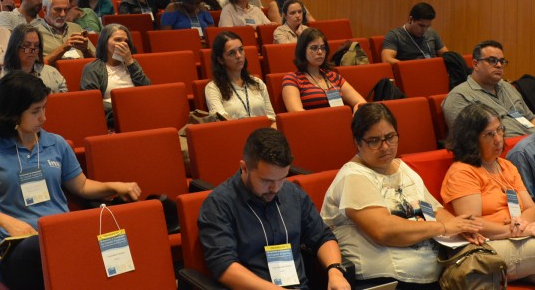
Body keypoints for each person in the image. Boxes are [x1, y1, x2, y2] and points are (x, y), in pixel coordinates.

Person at [0, 71, 142, 290]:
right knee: (46, 248)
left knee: (115, 233)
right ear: (13, 114)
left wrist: (115, 186)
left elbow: (81, 186)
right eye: (35, 111)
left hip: (62, 236)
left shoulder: (56, 144)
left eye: (44, 108)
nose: (43, 117)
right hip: (19, 246)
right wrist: (9, 222)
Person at [321, 103, 483, 288]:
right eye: (374, 141)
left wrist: (462, 227)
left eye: (390, 137)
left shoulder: (402, 168)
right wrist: (444, 228)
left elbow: (433, 210)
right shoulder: (353, 176)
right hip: (387, 281)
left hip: (435, 274)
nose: (385, 147)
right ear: (358, 143)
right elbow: (384, 231)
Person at [198, 127, 350, 290]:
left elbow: (322, 237)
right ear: (244, 168)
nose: (276, 188)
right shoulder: (219, 204)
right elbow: (224, 267)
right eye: (266, 181)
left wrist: (335, 270)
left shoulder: (293, 194)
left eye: (282, 179)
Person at [442, 102, 535, 283]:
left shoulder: (506, 165)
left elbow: (531, 207)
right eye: (489, 134)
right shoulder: (462, 171)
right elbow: (471, 223)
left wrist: (521, 224)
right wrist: (509, 230)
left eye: (500, 130)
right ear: (471, 139)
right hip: (488, 247)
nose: (498, 139)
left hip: (520, 237)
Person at [442, 39, 535, 137]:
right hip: (506, 148)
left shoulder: (508, 87)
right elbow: (468, 141)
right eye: (492, 60)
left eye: (501, 61)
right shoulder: (459, 96)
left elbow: (531, 118)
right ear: (475, 64)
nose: (499, 65)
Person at [282, 28, 366, 113]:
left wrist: (354, 118)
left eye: (323, 48)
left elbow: (361, 102)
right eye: (314, 48)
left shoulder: (333, 76)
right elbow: (297, 113)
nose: (320, 52)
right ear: (303, 51)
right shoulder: (293, 79)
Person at [80, 24, 150, 123]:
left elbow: (147, 89)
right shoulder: (92, 68)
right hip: (112, 118)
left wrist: (130, 61)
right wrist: (122, 107)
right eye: (118, 40)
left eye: (126, 41)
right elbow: (90, 102)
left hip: (140, 111)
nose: (123, 44)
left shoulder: (132, 64)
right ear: (105, 42)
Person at [205, 31, 275, 125]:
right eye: (231, 53)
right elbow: (222, 121)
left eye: (241, 50)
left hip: (264, 136)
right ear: (221, 60)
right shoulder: (213, 88)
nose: (238, 55)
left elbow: (271, 118)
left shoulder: (257, 82)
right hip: (236, 135)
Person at [34, 0, 95, 65]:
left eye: (66, 10)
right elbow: (35, 66)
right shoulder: (34, 33)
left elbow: (96, 61)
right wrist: (63, 49)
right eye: (58, 10)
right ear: (45, 9)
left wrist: (85, 50)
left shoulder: (76, 28)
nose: (63, 14)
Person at [3, 24, 67, 93]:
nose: (32, 50)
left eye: (36, 45)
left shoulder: (52, 73)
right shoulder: (1, 76)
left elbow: (63, 100)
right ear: (15, 47)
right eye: (27, 45)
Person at [381, 2, 448, 64]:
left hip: (434, 70)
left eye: (427, 26)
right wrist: (411, 67)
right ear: (410, 19)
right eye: (421, 25)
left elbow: (446, 54)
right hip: (411, 72)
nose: (424, 30)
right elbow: (387, 59)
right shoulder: (395, 36)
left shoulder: (431, 32)